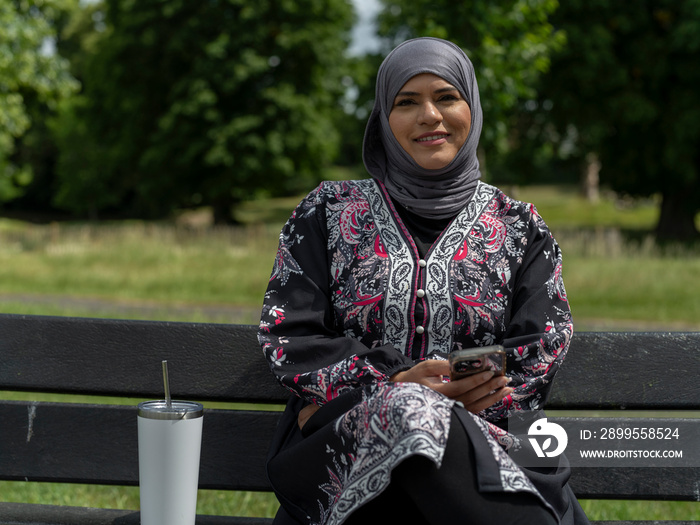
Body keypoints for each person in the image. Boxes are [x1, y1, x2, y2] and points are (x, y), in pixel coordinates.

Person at [258, 37, 589, 525]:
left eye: (446, 97)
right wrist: (394, 384)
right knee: (409, 410)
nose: (429, 116)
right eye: (406, 102)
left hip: (488, 444)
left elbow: (543, 344)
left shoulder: (520, 226)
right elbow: (289, 336)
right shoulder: (326, 212)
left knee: (421, 417)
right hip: (350, 454)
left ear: (471, 107)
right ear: (383, 122)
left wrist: (460, 399)